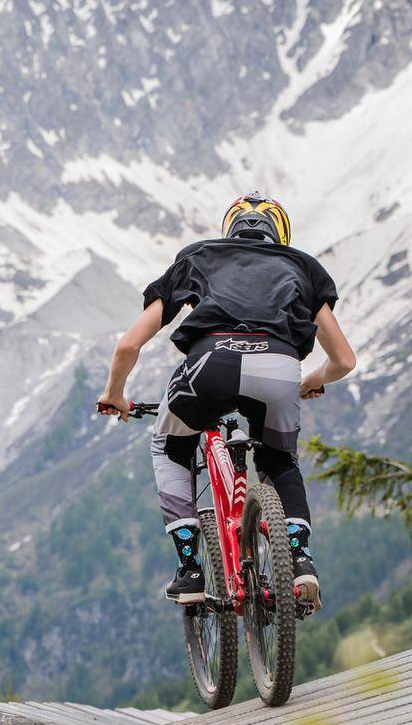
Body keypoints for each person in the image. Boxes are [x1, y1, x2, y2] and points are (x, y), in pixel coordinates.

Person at [95, 193, 356, 612]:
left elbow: (128, 345)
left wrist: (114, 395)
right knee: (279, 460)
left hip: (211, 364)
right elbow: (344, 359)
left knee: (170, 445)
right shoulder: (304, 267)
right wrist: (310, 382)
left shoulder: (198, 257)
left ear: (229, 230)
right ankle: (300, 558)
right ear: (281, 233)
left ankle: (190, 569)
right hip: (280, 366)